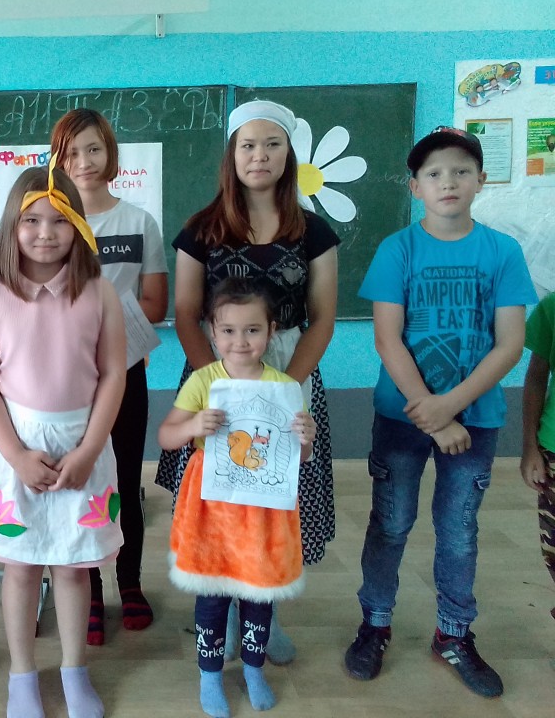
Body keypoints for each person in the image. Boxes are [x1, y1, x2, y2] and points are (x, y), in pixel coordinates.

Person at [344, 126, 536, 698]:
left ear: (481, 180)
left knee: (458, 531)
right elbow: (387, 339)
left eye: (460, 171)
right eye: (433, 174)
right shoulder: (397, 249)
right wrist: (433, 415)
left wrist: (451, 409)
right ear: (415, 187)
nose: (447, 182)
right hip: (400, 418)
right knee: (391, 522)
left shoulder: (502, 252)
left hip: (474, 422)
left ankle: (453, 633)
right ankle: (375, 624)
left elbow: (509, 344)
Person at [155, 99, 340, 662]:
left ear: (289, 154)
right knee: (220, 496)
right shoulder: (201, 230)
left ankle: (265, 608)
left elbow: (322, 317)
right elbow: (186, 313)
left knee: (275, 498)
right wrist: (217, 381)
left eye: (272, 144)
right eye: (248, 145)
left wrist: (282, 387)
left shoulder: (314, 232)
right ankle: (223, 609)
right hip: (216, 376)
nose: (260, 156)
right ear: (232, 156)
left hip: (288, 374)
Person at [0, 162, 126, 718]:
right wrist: (15, 455)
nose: (44, 233)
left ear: (78, 226)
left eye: (59, 220)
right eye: (30, 220)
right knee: (21, 566)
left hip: (84, 443)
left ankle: (75, 671)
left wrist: (87, 451)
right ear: (12, 226)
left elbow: (114, 375)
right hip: (20, 446)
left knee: (74, 566)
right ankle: (22, 676)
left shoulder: (100, 293)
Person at [158, 277, 315, 717]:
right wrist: (193, 427)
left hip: (262, 511)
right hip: (211, 509)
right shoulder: (204, 380)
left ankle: (253, 669)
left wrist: (306, 437)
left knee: (259, 592)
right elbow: (167, 436)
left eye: (252, 330)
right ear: (212, 331)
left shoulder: (284, 387)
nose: (240, 341)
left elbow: (300, 456)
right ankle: (210, 677)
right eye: (228, 330)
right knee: (211, 592)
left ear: (272, 331)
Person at [51, 108, 169, 645]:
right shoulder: (52, 223)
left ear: (111, 154)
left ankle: (130, 582)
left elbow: (155, 302)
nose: (84, 161)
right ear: (58, 161)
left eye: (93, 149)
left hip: (124, 375)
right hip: (68, 382)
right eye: (71, 152)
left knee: (123, 479)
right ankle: (91, 590)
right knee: (81, 482)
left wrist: (111, 341)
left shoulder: (139, 222)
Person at [522, 290, 555, 619]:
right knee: (553, 547)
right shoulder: (552, 307)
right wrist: (530, 446)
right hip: (553, 447)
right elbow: (535, 377)